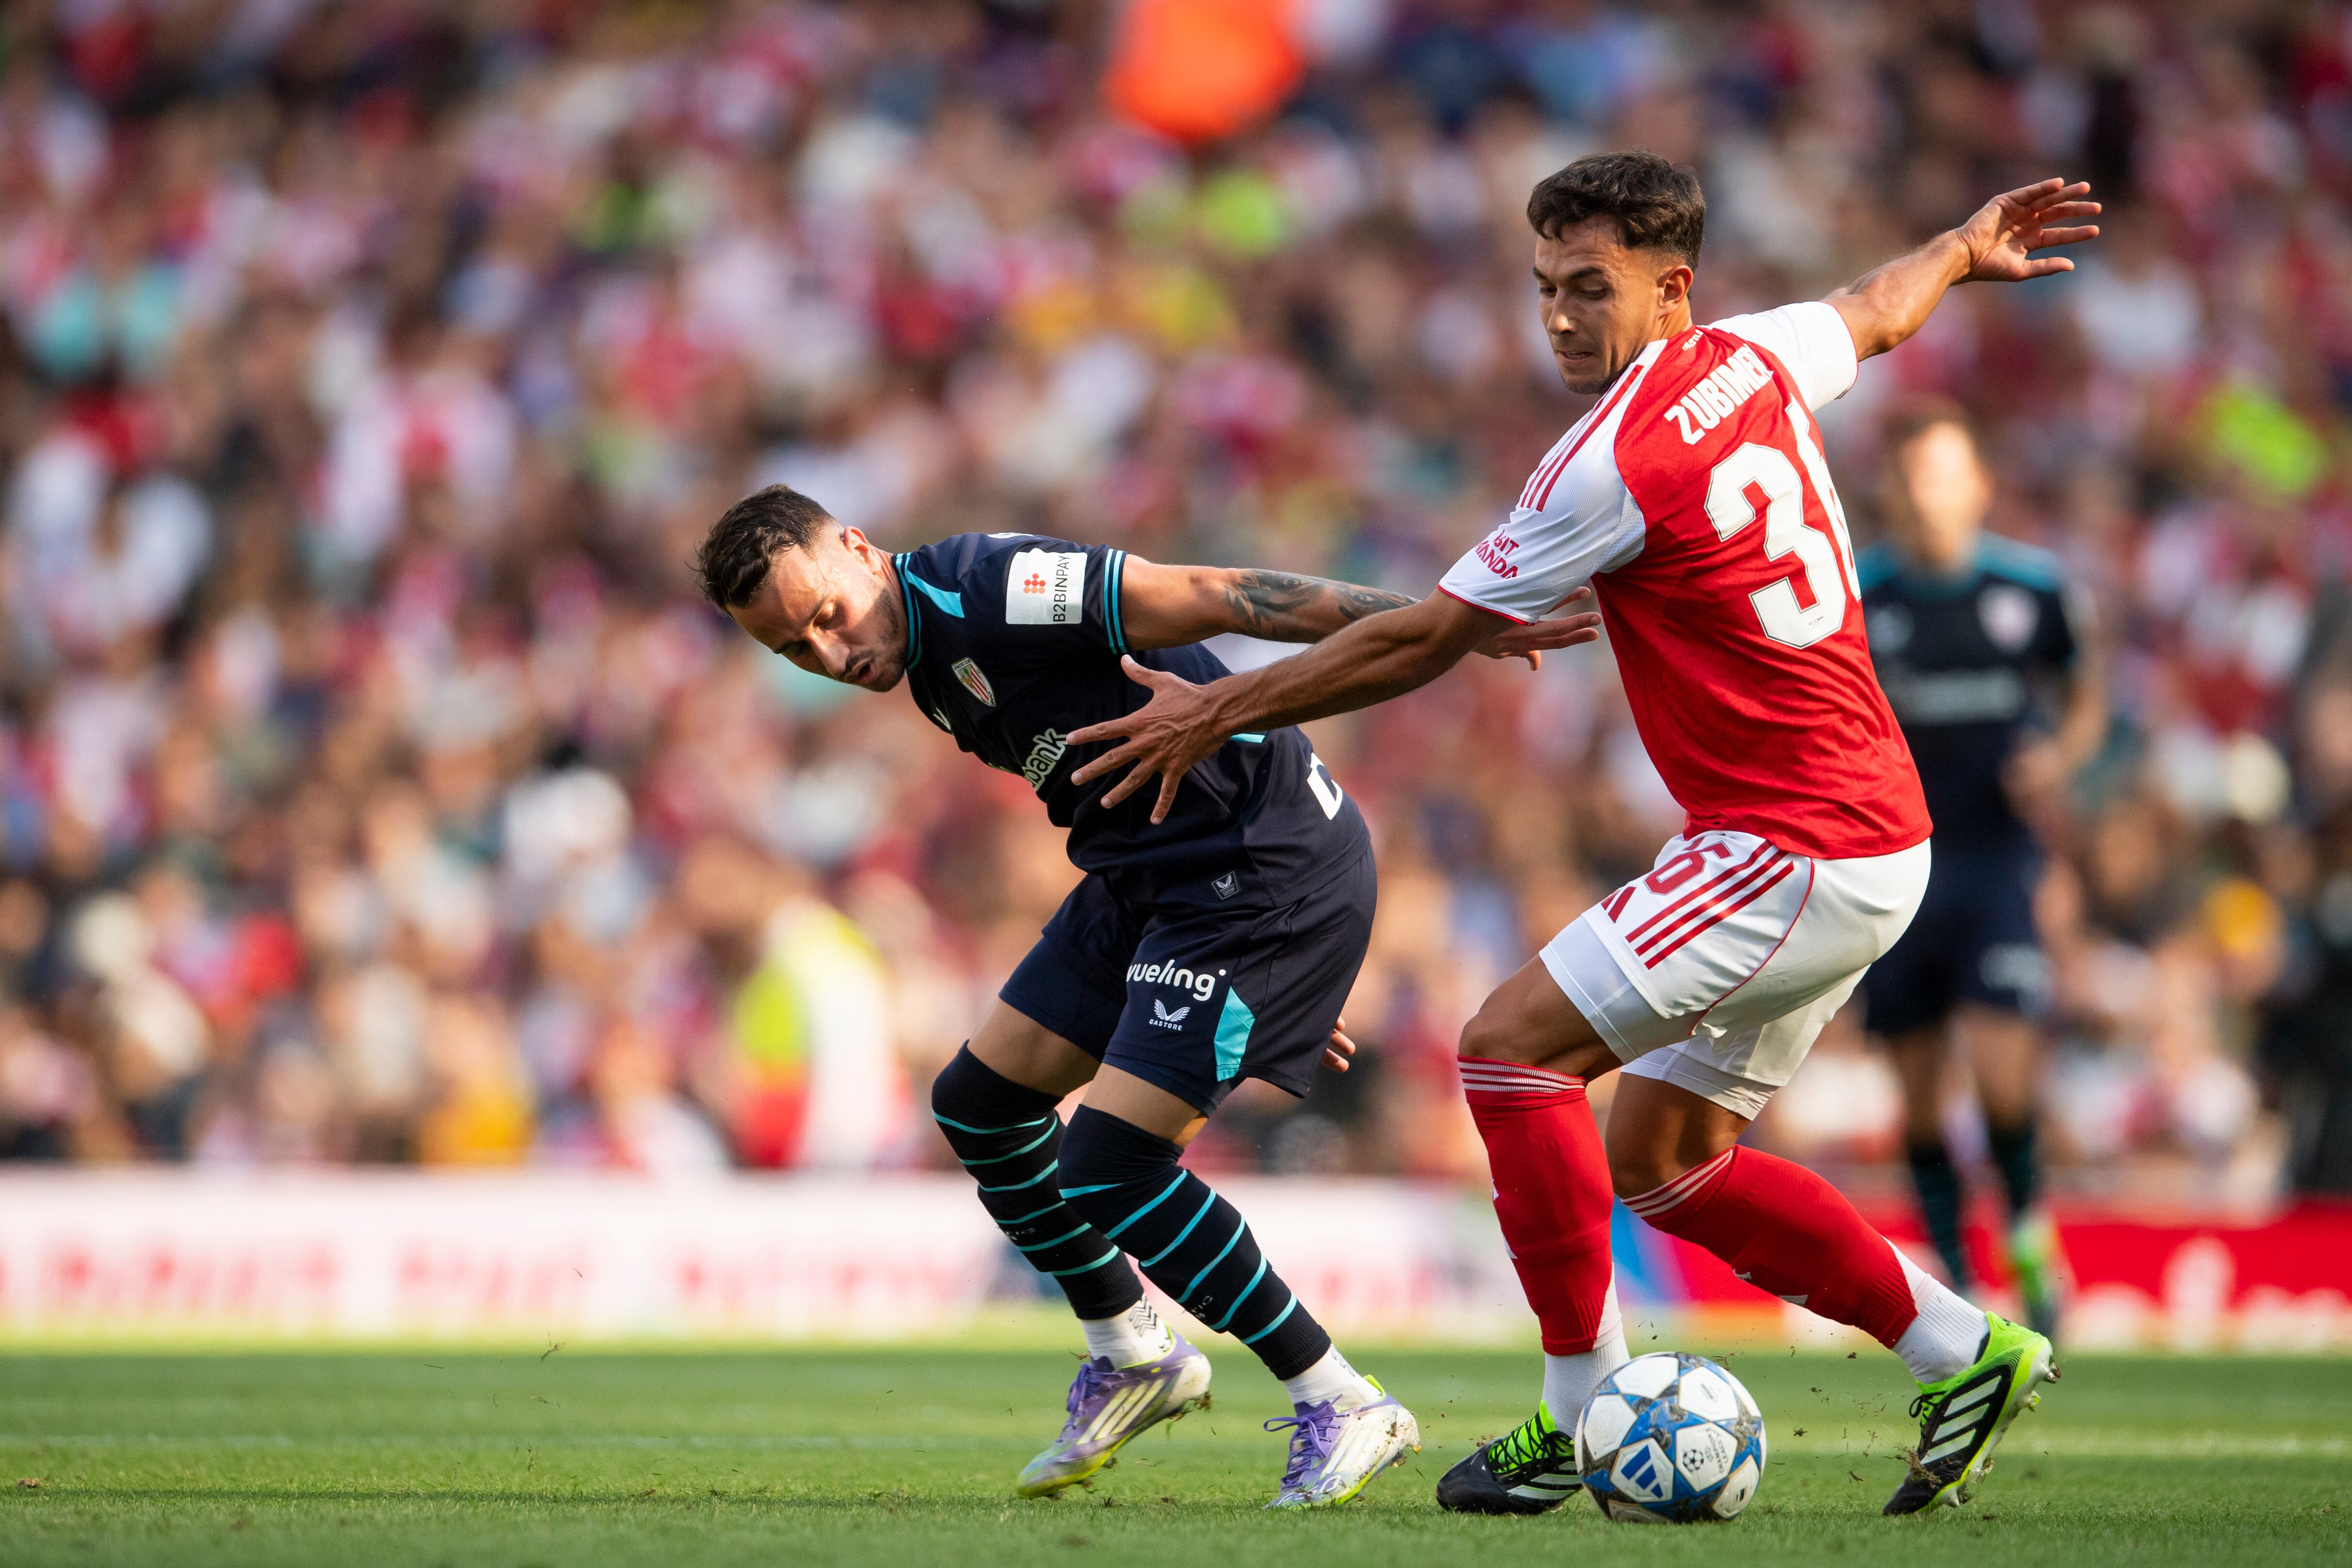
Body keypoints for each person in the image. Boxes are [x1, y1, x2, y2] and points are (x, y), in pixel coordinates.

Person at [1065, 152, 2098, 1518]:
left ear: (1669, 287)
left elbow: (1428, 637)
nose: (1556, 315)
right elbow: (1873, 306)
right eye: (1543, 286)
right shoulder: (1750, 355)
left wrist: (1219, 710)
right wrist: (1961, 249)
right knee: (1664, 1159)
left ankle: (1577, 1412)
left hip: (1790, 840)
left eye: (1586, 287)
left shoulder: (1609, 458)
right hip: (1861, 832)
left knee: (1504, 1051)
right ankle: (1968, 1350)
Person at [692, 486, 1595, 1508]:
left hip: (1258, 870)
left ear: (858, 549)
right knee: (980, 1106)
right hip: (1151, 878)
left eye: (825, 614)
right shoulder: (923, 667)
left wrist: (1441, 629)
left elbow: (1218, 594)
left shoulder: (990, 591)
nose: (829, 652)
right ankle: (1132, 1353)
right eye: (794, 650)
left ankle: (1340, 1397)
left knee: (1109, 1168)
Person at [1858, 405, 2105, 1338]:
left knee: (2005, 1077)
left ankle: (2031, 1231)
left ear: (1978, 488)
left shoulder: (2030, 588)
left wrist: (2062, 757)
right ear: (1893, 489)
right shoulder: (1860, 593)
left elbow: (2084, 688)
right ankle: (1960, 1276)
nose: (1927, 496)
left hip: (1998, 861)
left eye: (1944, 477)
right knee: (1919, 1090)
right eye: (1913, 479)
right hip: (1896, 867)